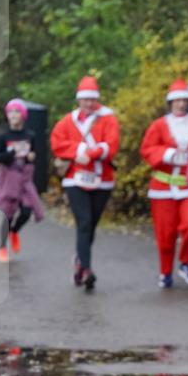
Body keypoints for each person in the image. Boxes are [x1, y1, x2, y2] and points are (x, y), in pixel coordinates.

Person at [50, 75, 120, 290]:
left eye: (92, 99)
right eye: (85, 99)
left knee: (91, 226)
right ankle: (88, 269)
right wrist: (77, 152)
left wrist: (89, 153)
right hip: (75, 179)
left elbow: (112, 145)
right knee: (84, 222)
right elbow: (56, 143)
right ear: (79, 100)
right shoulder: (68, 121)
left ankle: (80, 262)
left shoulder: (108, 118)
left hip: (102, 179)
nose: (89, 104)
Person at [140, 79, 188, 288]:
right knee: (165, 233)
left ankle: (186, 264)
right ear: (170, 103)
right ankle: (165, 271)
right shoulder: (159, 125)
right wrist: (168, 154)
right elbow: (147, 149)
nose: (180, 104)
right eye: (176, 100)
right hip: (163, 188)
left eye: (183, 100)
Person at [0, 98, 44, 262]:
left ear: (23, 116)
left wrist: (31, 157)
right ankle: (1, 247)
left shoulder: (30, 135)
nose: (13, 115)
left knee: (27, 212)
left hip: (25, 178)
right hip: (8, 178)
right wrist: (10, 155)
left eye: (16, 112)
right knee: (7, 214)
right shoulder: (3, 136)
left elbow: (33, 155)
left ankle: (14, 231)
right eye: (10, 112)